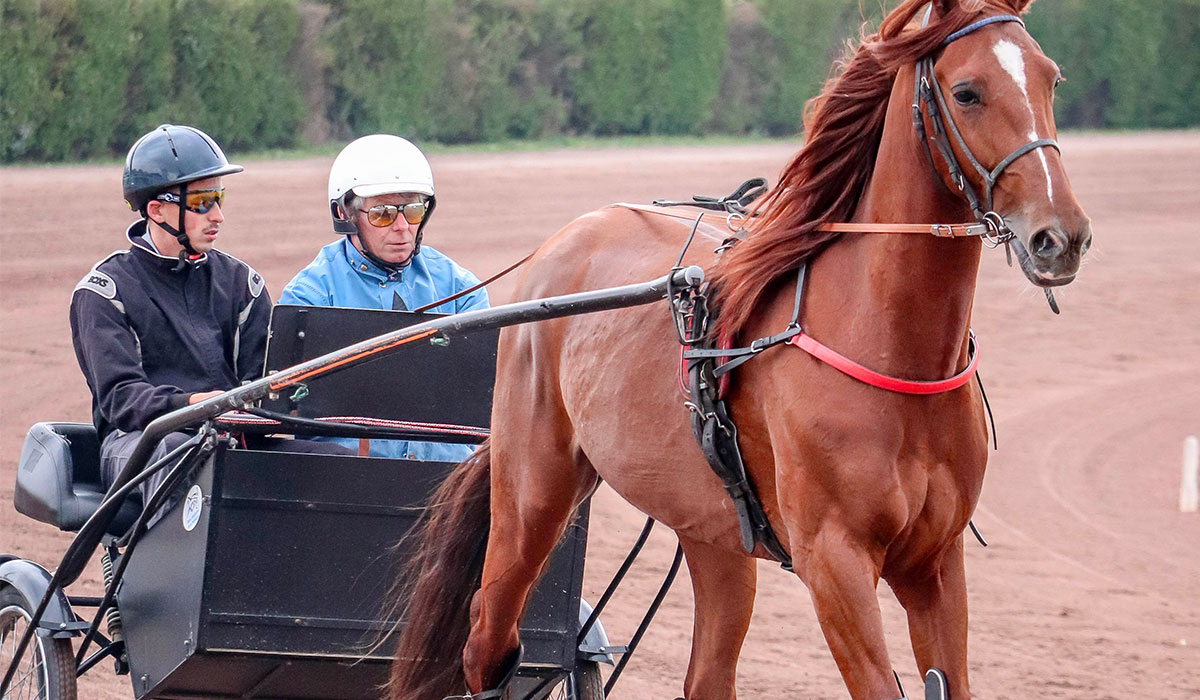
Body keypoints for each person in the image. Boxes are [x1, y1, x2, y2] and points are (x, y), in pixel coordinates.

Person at [69, 124, 340, 526]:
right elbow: (123, 401)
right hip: (141, 445)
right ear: (155, 210)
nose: (218, 215)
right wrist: (195, 406)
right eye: (201, 201)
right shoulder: (106, 291)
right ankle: (176, 584)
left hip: (228, 433)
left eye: (219, 198)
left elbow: (263, 380)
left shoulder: (240, 284)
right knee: (182, 448)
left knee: (335, 460)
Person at [279, 134, 488, 461]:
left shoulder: (463, 290)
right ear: (344, 213)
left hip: (447, 481)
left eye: (414, 210)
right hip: (350, 484)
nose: (403, 227)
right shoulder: (310, 295)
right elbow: (292, 407)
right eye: (383, 213)